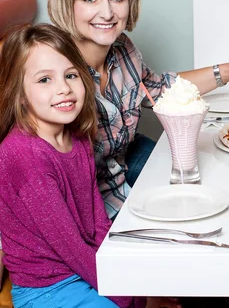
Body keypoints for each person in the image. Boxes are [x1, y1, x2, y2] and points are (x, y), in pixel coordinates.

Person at [48, 0, 229, 219]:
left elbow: (160, 90)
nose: (107, 13)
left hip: (122, 171)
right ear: (67, 2)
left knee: (218, 180)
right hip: (89, 202)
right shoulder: (55, 71)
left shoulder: (123, 49)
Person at [0, 24, 145, 308]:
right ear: (18, 93)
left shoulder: (77, 137)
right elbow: (70, 245)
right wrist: (122, 293)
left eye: (70, 75)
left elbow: (97, 221)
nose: (64, 88)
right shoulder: (26, 155)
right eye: (44, 80)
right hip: (47, 290)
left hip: (82, 269)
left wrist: (125, 284)